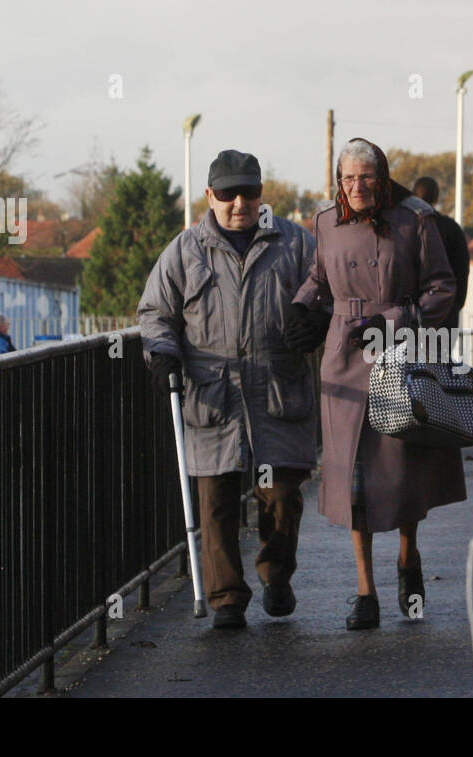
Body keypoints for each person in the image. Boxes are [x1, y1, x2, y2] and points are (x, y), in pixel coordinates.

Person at [138, 149, 325, 631]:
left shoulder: (295, 243)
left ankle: (276, 575)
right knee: (216, 503)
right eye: (228, 193)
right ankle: (226, 599)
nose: (239, 202)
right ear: (209, 196)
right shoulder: (184, 251)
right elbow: (156, 312)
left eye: (249, 192)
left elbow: (326, 293)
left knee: (281, 495)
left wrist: (318, 323)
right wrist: (162, 352)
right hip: (213, 395)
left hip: (276, 392)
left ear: (262, 193)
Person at [289, 137, 464, 630]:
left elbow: (441, 288)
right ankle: (365, 592)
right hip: (344, 355)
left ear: (381, 178)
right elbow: (318, 277)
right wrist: (302, 306)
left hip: (399, 353)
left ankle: (408, 560)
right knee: (352, 478)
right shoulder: (325, 221)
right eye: (348, 178)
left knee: (402, 467)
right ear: (338, 182)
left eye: (365, 177)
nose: (357, 186)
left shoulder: (416, 219)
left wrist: (395, 320)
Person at [411, 176, 470, 331]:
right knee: (440, 355)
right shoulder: (451, 228)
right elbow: (462, 269)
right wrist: (456, 304)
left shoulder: (402, 227)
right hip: (445, 312)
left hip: (410, 314)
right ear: (436, 197)